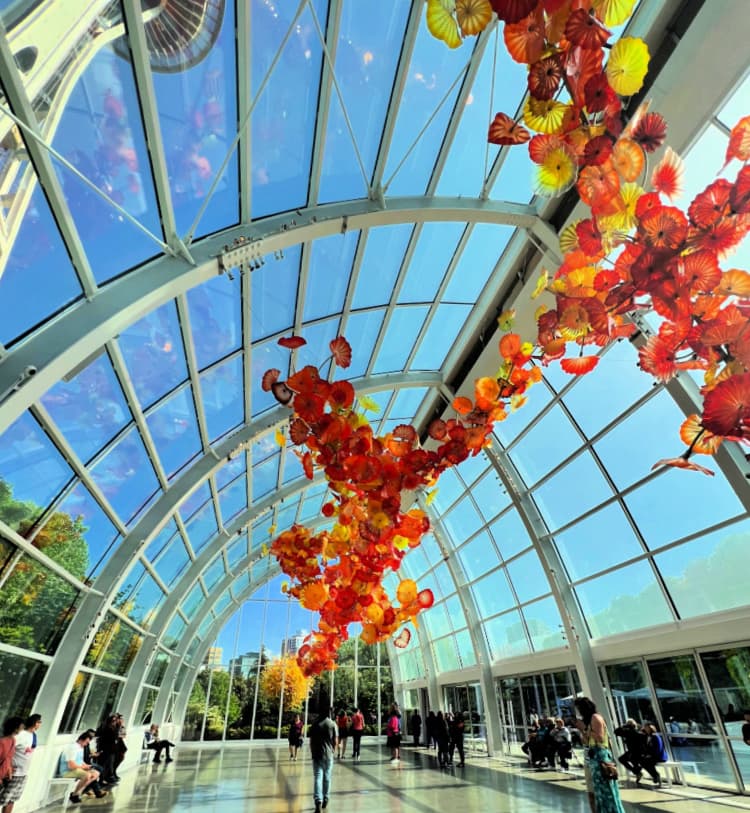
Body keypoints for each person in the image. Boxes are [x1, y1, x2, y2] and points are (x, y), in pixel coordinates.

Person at [573, 696, 625, 813]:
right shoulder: (589, 720)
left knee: (606, 789)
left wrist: (585, 728)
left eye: (579, 709)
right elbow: (587, 740)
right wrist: (582, 730)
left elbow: (600, 738)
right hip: (593, 757)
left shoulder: (596, 718)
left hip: (600, 756)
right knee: (598, 791)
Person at [3, 713, 40, 813]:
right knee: (6, 799)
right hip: (13, 773)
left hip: (23, 773)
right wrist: (9, 767)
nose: (39, 724)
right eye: (38, 722)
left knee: (12, 799)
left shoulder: (34, 736)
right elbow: (8, 751)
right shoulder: (20, 735)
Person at [309, 706, 337, 813]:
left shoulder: (315, 724)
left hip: (317, 754)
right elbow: (335, 740)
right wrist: (333, 751)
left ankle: (318, 801)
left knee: (318, 776)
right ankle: (326, 797)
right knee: (327, 776)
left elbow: (311, 741)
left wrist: (312, 752)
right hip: (328, 755)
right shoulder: (332, 724)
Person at [58, 732, 100, 804]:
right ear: (81, 740)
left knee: (96, 773)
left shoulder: (80, 748)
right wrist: (83, 767)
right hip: (67, 771)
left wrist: (87, 766)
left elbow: (80, 761)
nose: (86, 744)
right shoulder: (73, 748)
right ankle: (75, 795)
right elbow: (71, 766)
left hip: (77, 769)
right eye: (86, 742)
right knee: (87, 775)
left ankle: (77, 792)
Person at [0, 718, 24, 813]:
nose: (22, 728)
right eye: (21, 726)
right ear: (15, 728)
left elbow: (9, 757)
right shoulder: (2, 742)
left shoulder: (12, 740)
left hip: (4, 777)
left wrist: (9, 772)